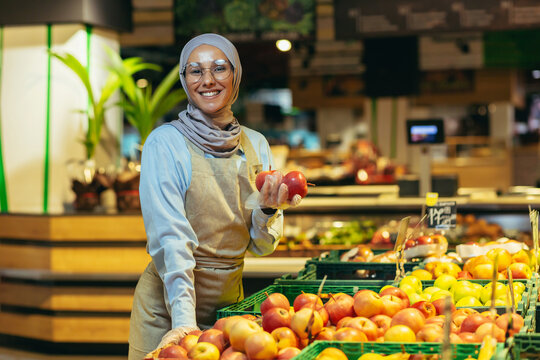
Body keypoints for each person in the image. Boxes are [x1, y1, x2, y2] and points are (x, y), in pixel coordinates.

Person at [128, 33, 302, 360]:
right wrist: (183, 320)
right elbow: (170, 238)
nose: (207, 80)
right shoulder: (164, 143)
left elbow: (262, 246)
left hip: (231, 308)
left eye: (220, 68)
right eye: (195, 71)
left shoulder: (257, 145)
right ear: (184, 79)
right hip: (168, 307)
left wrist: (267, 209)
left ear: (235, 75)